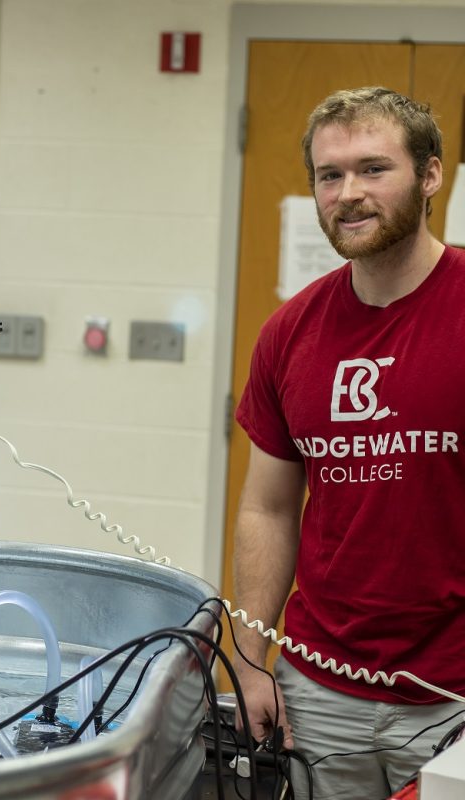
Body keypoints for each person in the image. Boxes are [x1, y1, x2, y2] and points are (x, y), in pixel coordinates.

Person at [233, 86, 465, 799]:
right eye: (329, 176)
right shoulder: (290, 332)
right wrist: (248, 659)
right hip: (322, 685)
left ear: (430, 176)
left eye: (373, 169)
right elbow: (267, 509)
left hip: (454, 689)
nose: (348, 193)